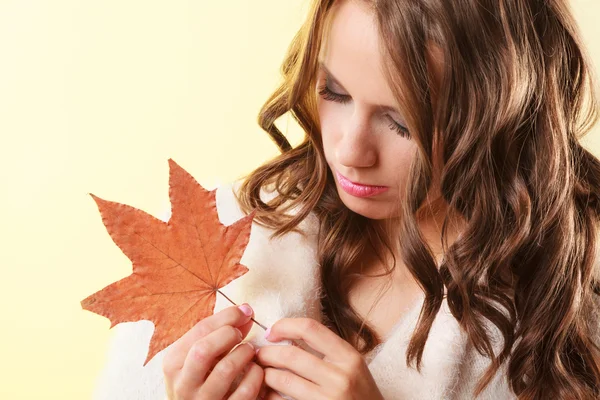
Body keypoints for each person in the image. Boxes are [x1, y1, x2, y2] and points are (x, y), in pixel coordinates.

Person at [92, 0, 600, 399]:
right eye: (334, 93)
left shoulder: (570, 304)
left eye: (401, 122)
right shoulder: (233, 236)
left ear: (499, 120)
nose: (350, 151)